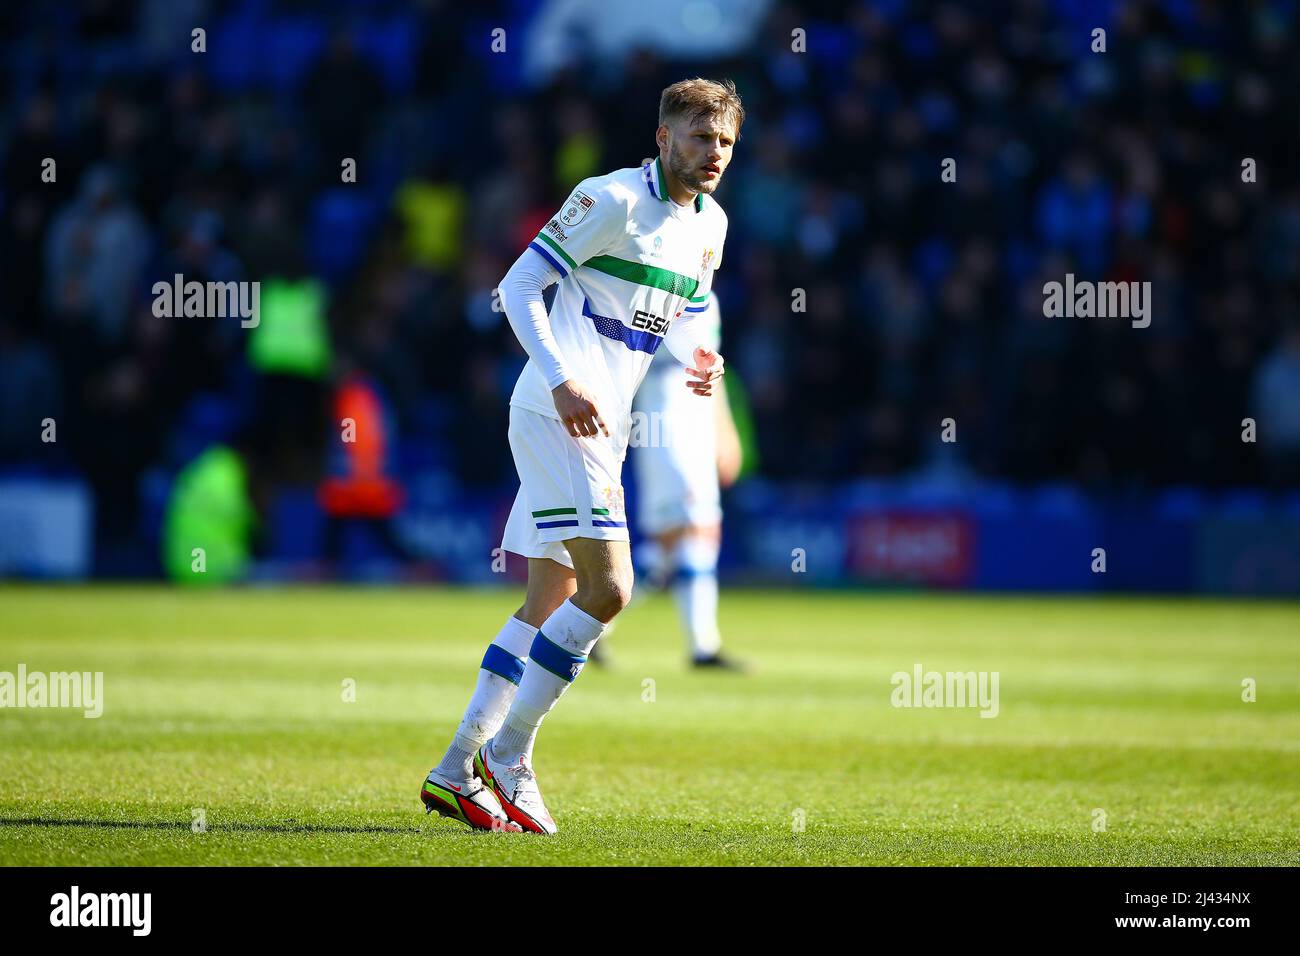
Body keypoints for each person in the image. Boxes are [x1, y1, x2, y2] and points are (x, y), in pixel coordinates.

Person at [422, 78, 743, 834]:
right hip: (559, 411)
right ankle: (511, 752)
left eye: (725, 141)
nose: (714, 154)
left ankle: (452, 770)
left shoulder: (712, 226)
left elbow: (691, 310)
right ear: (663, 137)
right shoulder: (610, 200)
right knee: (610, 591)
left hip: (602, 420)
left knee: (547, 603)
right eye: (699, 138)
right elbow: (519, 283)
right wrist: (563, 381)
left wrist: (702, 358)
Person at [630, 288, 748, 670]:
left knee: (682, 536)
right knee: (691, 522)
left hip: (695, 411)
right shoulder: (653, 286)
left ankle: (592, 623)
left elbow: (713, 371)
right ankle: (703, 647)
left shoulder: (709, 300)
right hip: (660, 410)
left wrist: (724, 429)